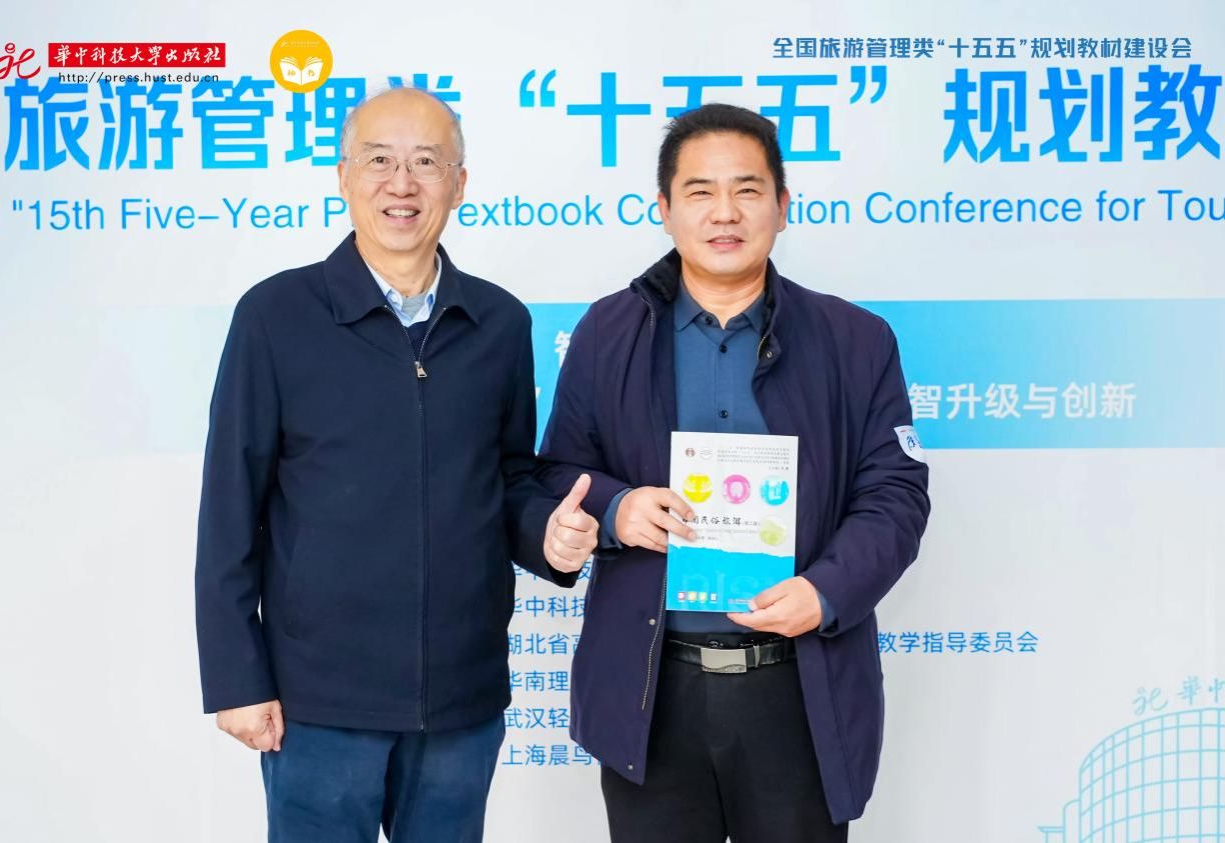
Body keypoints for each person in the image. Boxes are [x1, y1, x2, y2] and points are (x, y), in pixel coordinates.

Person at [195, 87, 598, 843]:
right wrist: (235, 676)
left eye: (426, 163)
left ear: (459, 183)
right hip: (317, 700)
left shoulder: (499, 322)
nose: (401, 184)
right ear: (344, 177)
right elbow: (228, 508)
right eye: (379, 161)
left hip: (460, 699)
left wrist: (548, 533)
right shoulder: (275, 316)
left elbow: (508, 480)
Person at [537, 103, 930, 842]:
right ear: (664, 209)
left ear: (782, 204)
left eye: (747, 190)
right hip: (651, 687)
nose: (725, 212)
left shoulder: (856, 340)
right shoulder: (606, 333)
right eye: (700, 191)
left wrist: (825, 591)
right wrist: (618, 510)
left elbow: (894, 494)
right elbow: (559, 471)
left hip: (799, 685)